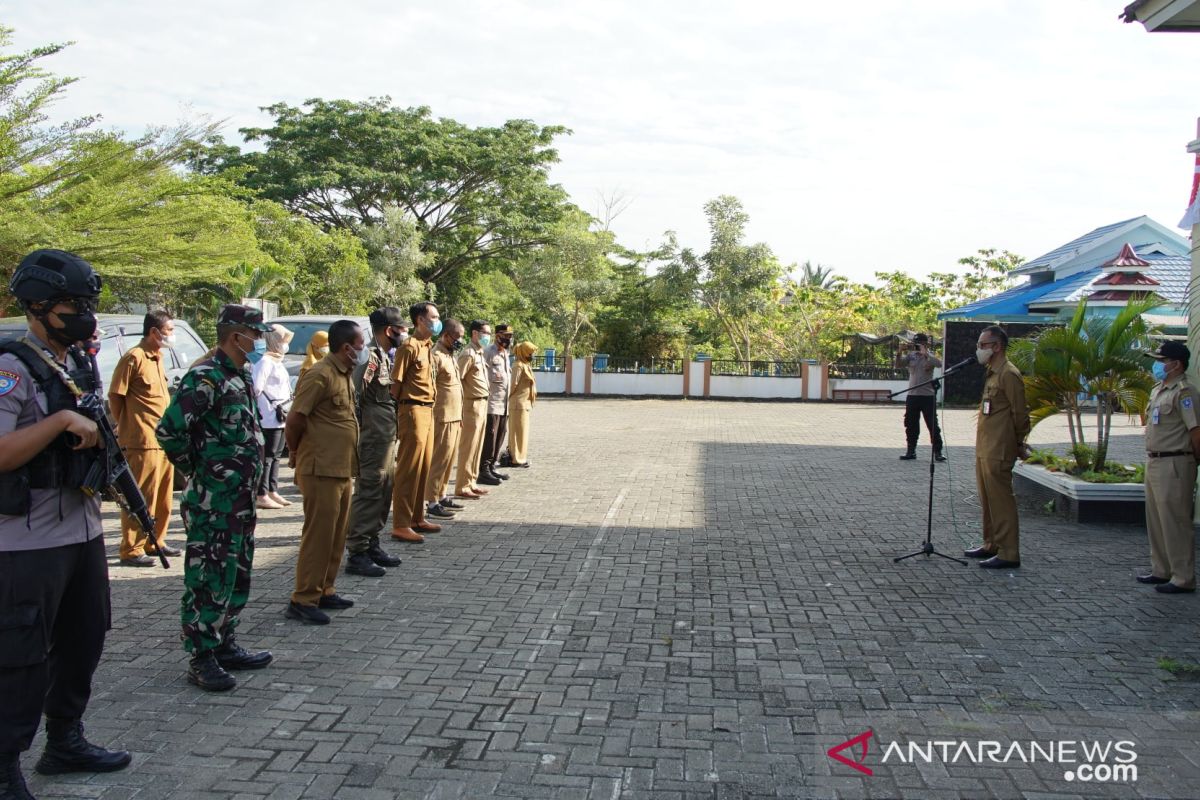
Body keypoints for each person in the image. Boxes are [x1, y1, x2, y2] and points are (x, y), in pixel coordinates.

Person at [0, 250, 130, 799]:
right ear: (36, 306)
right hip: (25, 540)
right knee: (20, 654)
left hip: (81, 527)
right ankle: (6, 767)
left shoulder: (74, 360)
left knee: (84, 637)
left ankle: (64, 740)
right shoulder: (11, 367)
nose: (84, 315)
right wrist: (58, 420)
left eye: (87, 305)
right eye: (71, 305)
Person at [157, 304, 274, 693]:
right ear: (234, 334)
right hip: (213, 500)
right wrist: (200, 469)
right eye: (254, 335)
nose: (259, 341)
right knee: (208, 576)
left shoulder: (237, 375)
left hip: (241, 499)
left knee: (237, 571)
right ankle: (201, 656)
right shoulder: (205, 377)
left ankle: (225, 643)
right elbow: (170, 431)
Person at [285, 321, 362, 625]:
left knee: (336, 534)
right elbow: (295, 420)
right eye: (359, 344)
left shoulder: (343, 374)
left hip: (341, 467)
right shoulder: (319, 374)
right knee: (318, 535)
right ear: (346, 348)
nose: (361, 350)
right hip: (320, 468)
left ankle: (325, 589)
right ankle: (303, 598)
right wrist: (295, 452)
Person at [108, 310, 180, 567]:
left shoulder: (157, 358)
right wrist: (123, 425)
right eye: (169, 330)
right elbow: (116, 395)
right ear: (154, 331)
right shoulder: (133, 358)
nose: (172, 335)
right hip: (141, 439)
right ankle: (131, 548)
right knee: (140, 496)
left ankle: (155, 541)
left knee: (164, 497)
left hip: (162, 440)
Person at [344, 308, 406, 578]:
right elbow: (353, 396)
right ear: (387, 330)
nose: (403, 333)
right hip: (371, 438)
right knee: (369, 491)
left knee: (384, 490)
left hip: (385, 437)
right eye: (399, 329)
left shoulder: (383, 356)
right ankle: (357, 551)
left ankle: (372, 543)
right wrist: (359, 433)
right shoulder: (367, 357)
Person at [964, 325, 1030, 569]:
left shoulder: (1008, 374)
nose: (979, 350)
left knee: (1001, 500)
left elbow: (1020, 413)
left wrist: (1018, 441)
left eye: (983, 345)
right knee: (988, 499)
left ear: (997, 347)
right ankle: (991, 543)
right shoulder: (993, 372)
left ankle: (1009, 552)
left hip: (1000, 447)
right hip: (986, 445)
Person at [1138, 341, 1200, 594]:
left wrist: (1194, 461)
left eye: (1162, 361)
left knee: (1175, 521)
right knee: (1156, 520)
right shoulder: (1159, 390)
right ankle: (1161, 569)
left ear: (1176, 364)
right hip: (1154, 460)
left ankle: (1182, 577)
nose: (1158, 365)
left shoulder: (1185, 392)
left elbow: (1196, 431)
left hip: (1175, 461)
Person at [390, 302, 443, 544]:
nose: (437, 320)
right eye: (433, 316)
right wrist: (401, 411)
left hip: (428, 410)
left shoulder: (427, 347)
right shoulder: (408, 347)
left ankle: (417, 518)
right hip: (412, 409)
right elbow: (395, 384)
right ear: (420, 320)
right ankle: (401, 523)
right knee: (408, 469)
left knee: (423, 468)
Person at [425, 319, 466, 520]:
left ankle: (441, 495)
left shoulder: (450, 355)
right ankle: (431, 502)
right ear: (446, 335)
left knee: (449, 460)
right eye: (457, 337)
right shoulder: (436, 356)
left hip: (454, 416)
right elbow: (430, 389)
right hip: (441, 416)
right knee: (439, 460)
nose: (460, 341)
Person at [252, 324, 294, 510]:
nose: (285, 345)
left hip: (281, 415)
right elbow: (256, 388)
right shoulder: (264, 362)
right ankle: (261, 493)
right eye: (282, 341)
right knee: (266, 456)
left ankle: (272, 490)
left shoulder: (277, 361)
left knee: (276, 455)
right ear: (273, 341)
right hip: (268, 416)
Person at [454, 321, 493, 498]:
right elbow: (458, 381)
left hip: (482, 404)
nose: (488, 337)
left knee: (477, 446)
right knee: (468, 447)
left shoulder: (479, 353)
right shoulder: (468, 354)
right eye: (486, 333)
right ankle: (462, 486)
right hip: (471, 405)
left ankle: (471, 481)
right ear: (475, 333)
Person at [896, 333, 945, 462]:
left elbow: (939, 364)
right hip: (912, 395)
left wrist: (926, 353)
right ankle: (911, 451)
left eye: (921, 343)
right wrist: (899, 352)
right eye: (916, 343)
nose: (918, 346)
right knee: (911, 424)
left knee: (932, 424)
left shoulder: (930, 356)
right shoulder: (911, 356)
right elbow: (898, 365)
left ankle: (938, 452)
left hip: (927, 396)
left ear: (926, 344)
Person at [480, 323, 513, 484]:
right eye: (505, 336)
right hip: (492, 404)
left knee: (500, 436)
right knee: (490, 439)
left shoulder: (505, 354)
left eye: (510, 336)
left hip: (504, 405)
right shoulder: (488, 353)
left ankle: (492, 466)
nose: (508, 339)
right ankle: (484, 470)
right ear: (497, 336)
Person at [508, 341, 538, 468]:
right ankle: (516, 459)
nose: (532, 355)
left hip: (524, 405)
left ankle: (520, 456)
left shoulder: (525, 365)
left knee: (522, 433)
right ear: (524, 353)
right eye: (530, 353)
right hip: (517, 405)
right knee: (517, 433)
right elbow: (512, 385)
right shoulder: (518, 366)